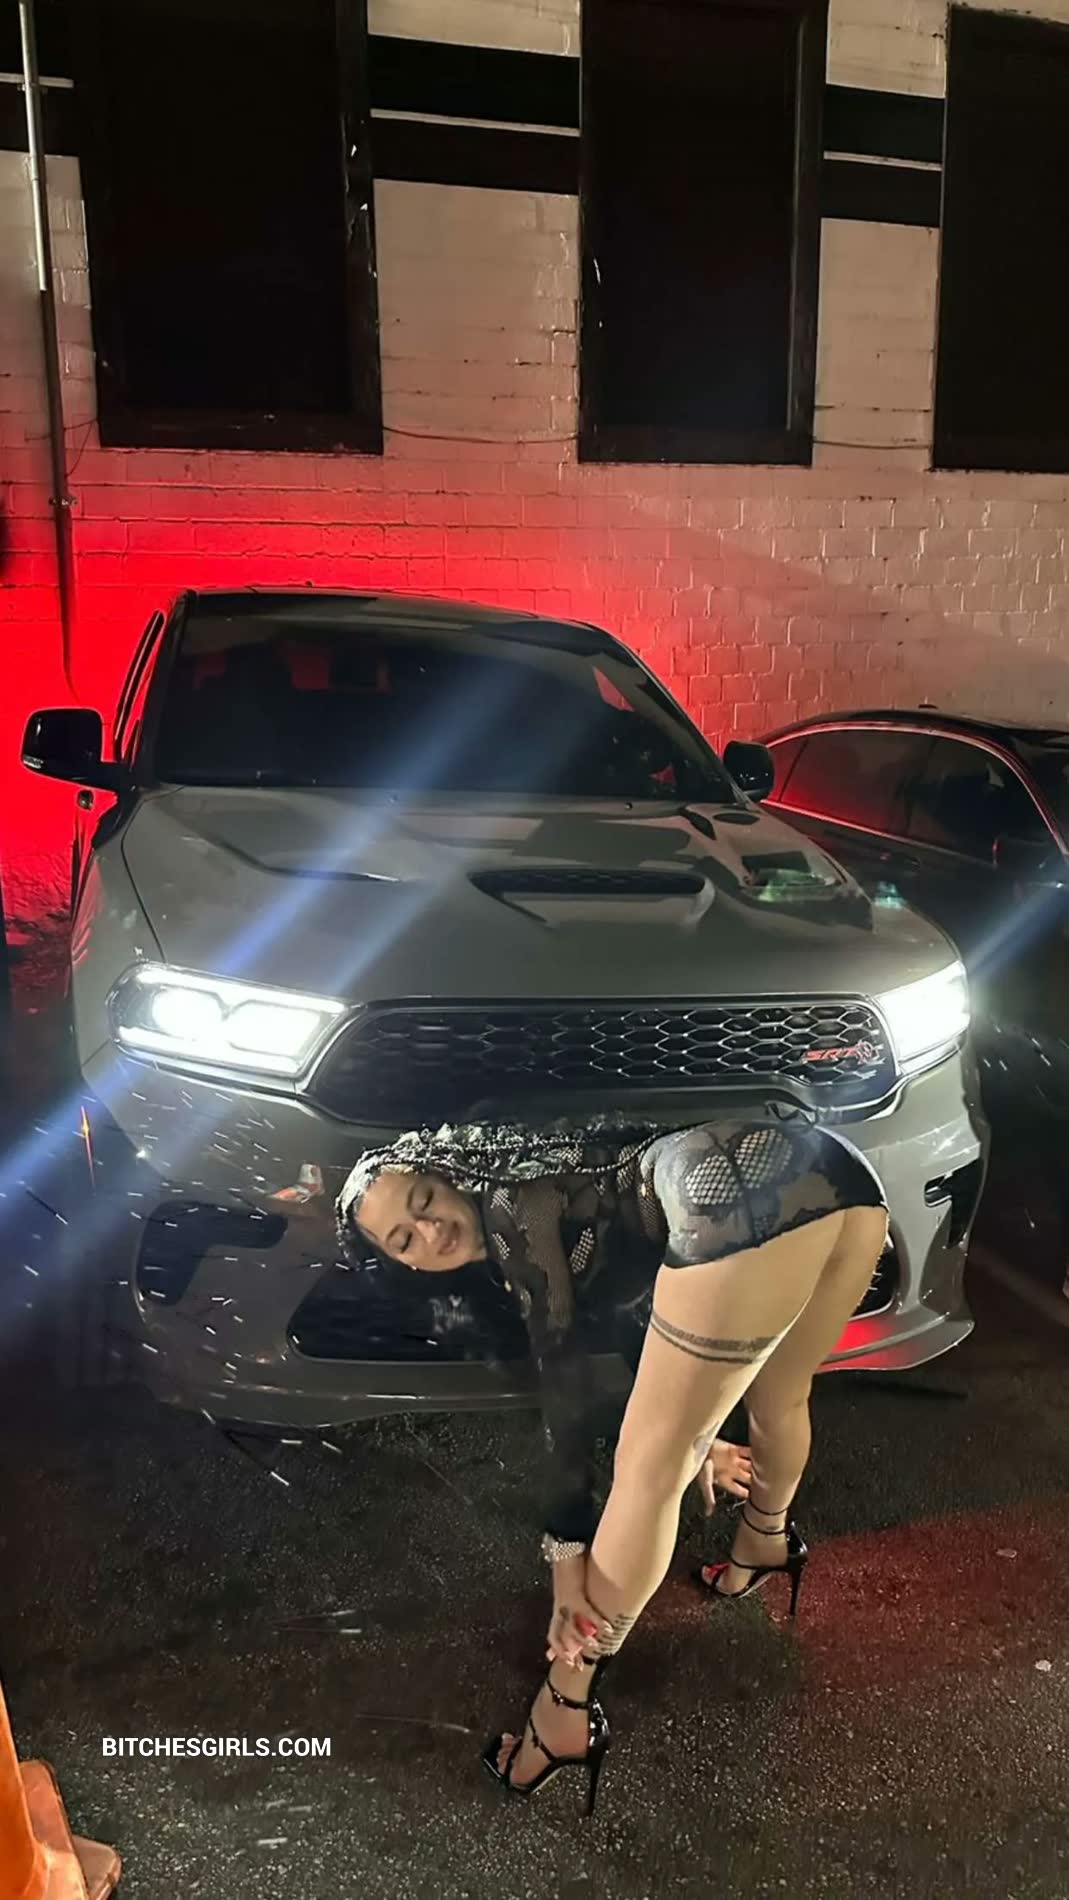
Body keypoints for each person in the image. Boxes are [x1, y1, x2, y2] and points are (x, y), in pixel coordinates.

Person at [336, 1113, 888, 1813]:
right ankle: (764, 1543)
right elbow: (641, 1312)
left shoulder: (508, 1206)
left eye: (423, 1201)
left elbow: (564, 1392)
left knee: (648, 1470)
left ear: (444, 1176)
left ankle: (563, 1711)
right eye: (404, 1239)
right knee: (780, 1394)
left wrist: (566, 1555)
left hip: (737, 1193)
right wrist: (697, 1427)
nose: (430, 1229)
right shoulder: (526, 1194)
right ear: (401, 1263)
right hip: (839, 1174)